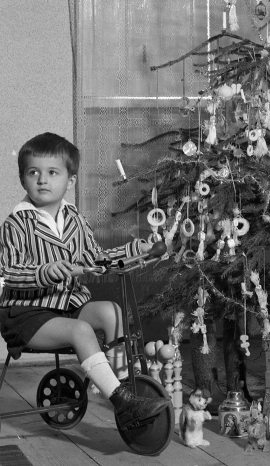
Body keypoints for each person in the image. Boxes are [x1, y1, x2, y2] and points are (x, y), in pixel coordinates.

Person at [0, 132, 170, 430]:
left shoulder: (75, 219)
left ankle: (119, 381)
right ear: (22, 179)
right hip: (28, 315)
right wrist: (45, 271)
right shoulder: (16, 224)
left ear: (71, 181)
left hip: (67, 306)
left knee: (111, 311)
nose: (42, 180)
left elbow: (96, 258)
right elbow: (8, 272)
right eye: (33, 173)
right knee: (80, 330)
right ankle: (124, 403)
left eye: (52, 173)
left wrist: (137, 250)